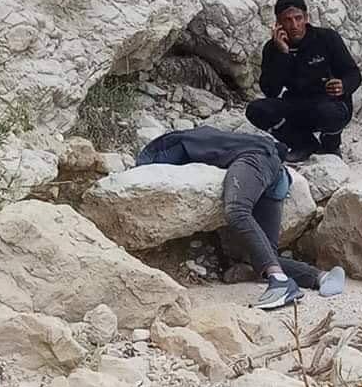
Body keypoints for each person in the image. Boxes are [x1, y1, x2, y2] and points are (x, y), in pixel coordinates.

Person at [136, 126, 346, 310]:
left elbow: (157, 172)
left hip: (254, 160)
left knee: (237, 210)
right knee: (261, 255)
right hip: (275, 171)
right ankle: (321, 277)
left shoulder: (164, 148)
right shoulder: (204, 136)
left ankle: (280, 282)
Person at [246, 0, 362, 163]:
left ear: (306, 18)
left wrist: (343, 85)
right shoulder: (272, 49)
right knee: (256, 110)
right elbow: (270, 91)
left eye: (298, 18)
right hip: (297, 103)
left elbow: (354, 74)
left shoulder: (326, 38)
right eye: (287, 20)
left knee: (331, 113)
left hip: (329, 103)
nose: (294, 25)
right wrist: (283, 54)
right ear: (278, 24)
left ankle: (331, 145)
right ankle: (304, 144)